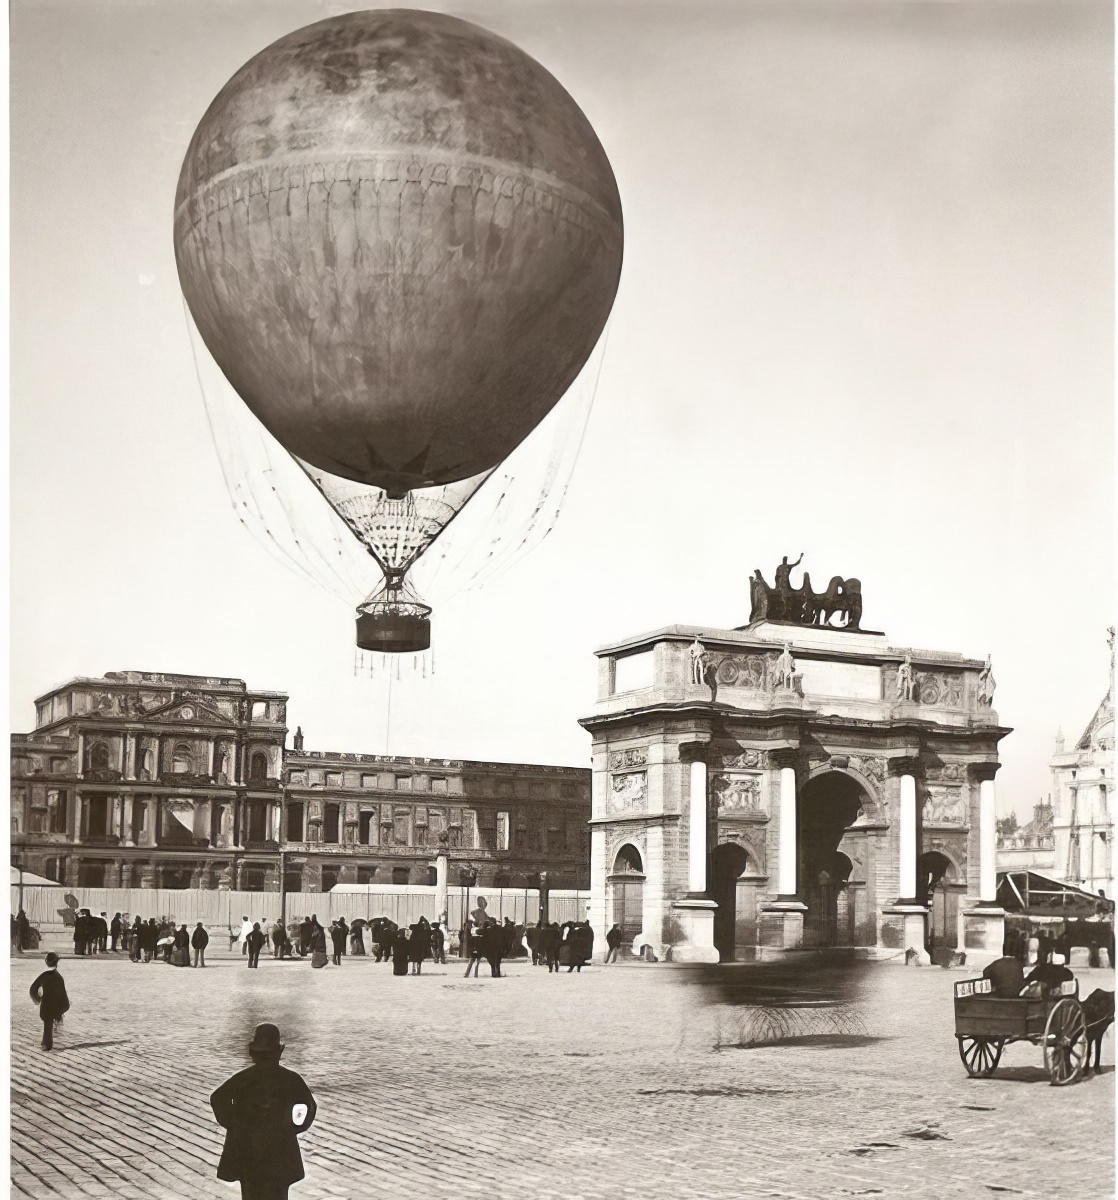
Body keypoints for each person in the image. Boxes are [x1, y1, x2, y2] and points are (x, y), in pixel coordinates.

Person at [210, 1023, 316, 1200]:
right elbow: (308, 1106)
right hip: (280, 1151)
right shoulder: (290, 1079)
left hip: (248, 1150)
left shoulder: (243, 1078)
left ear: (253, 1053)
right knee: (278, 1193)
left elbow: (218, 1098)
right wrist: (293, 1127)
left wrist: (235, 1124)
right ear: (279, 1052)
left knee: (251, 1192)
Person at [30, 952, 70, 1051]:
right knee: (49, 1023)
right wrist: (63, 1007)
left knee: (47, 1023)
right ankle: (46, 1042)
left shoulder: (43, 976)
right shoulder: (59, 977)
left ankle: (46, 1044)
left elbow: (32, 989)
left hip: (46, 1005)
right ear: (57, 963)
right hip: (55, 1005)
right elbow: (62, 993)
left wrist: (38, 999)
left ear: (46, 962)